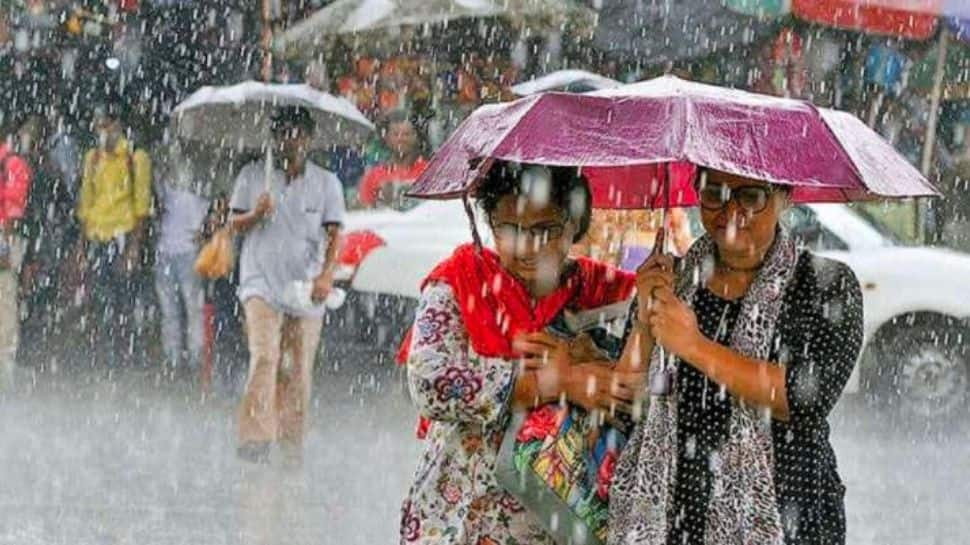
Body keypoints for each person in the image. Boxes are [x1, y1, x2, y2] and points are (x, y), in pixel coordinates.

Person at [608, 170, 864, 545]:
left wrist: (693, 346)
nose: (729, 210)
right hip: (677, 518)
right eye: (715, 193)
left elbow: (803, 399)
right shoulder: (672, 281)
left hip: (787, 515)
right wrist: (645, 323)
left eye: (750, 196)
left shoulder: (826, 284)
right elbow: (625, 396)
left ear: (784, 196)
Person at [397, 162, 641, 545]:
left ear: (575, 224)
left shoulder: (599, 290)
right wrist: (555, 383)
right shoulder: (460, 282)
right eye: (509, 228)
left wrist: (589, 362)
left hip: (557, 515)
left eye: (545, 230)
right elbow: (431, 383)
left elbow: (642, 375)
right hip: (465, 509)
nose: (526, 246)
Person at [230, 106, 345, 465]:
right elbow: (233, 224)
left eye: (297, 134)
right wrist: (255, 214)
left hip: (306, 285)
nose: (290, 141)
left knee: (297, 368)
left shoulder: (327, 183)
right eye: (283, 134)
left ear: (308, 139)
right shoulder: (252, 176)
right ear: (274, 138)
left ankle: (290, 438)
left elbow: (334, 233)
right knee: (265, 356)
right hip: (259, 280)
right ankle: (255, 438)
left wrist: (326, 275)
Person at [76, 96, 153, 366]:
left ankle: (124, 358)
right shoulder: (92, 159)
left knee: (124, 304)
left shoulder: (135, 157)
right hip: (97, 239)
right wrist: (82, 249)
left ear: (118, 125)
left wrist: (133, 249)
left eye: (106, 125)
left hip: (122, 240)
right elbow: (85, 205)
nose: (102, 131)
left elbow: (142, 207)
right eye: (98, 126)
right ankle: (100, 358)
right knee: (96, 302)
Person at [153, 142, 209, 379]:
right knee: (180, 310)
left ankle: (184, 358)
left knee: (182, 310)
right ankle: (181, 358)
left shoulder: (195, 189)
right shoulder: (167, 188)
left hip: (181, 253)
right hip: (173, 252)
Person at [0, 119, 34, 390]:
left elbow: (13, 207)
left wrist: (5, 244)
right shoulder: (14, 163)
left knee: (5, 300)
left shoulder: (11, 164)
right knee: (5, 302)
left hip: (4, 240)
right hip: (5, 238)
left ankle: (5, 368)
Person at [357, 110, 428, 209]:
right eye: (396, 134)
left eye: (406, 134)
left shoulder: (429, 172)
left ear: (416, 137)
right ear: (386, 138)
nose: (401, 139)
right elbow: (365, 212)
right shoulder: (372, 176)